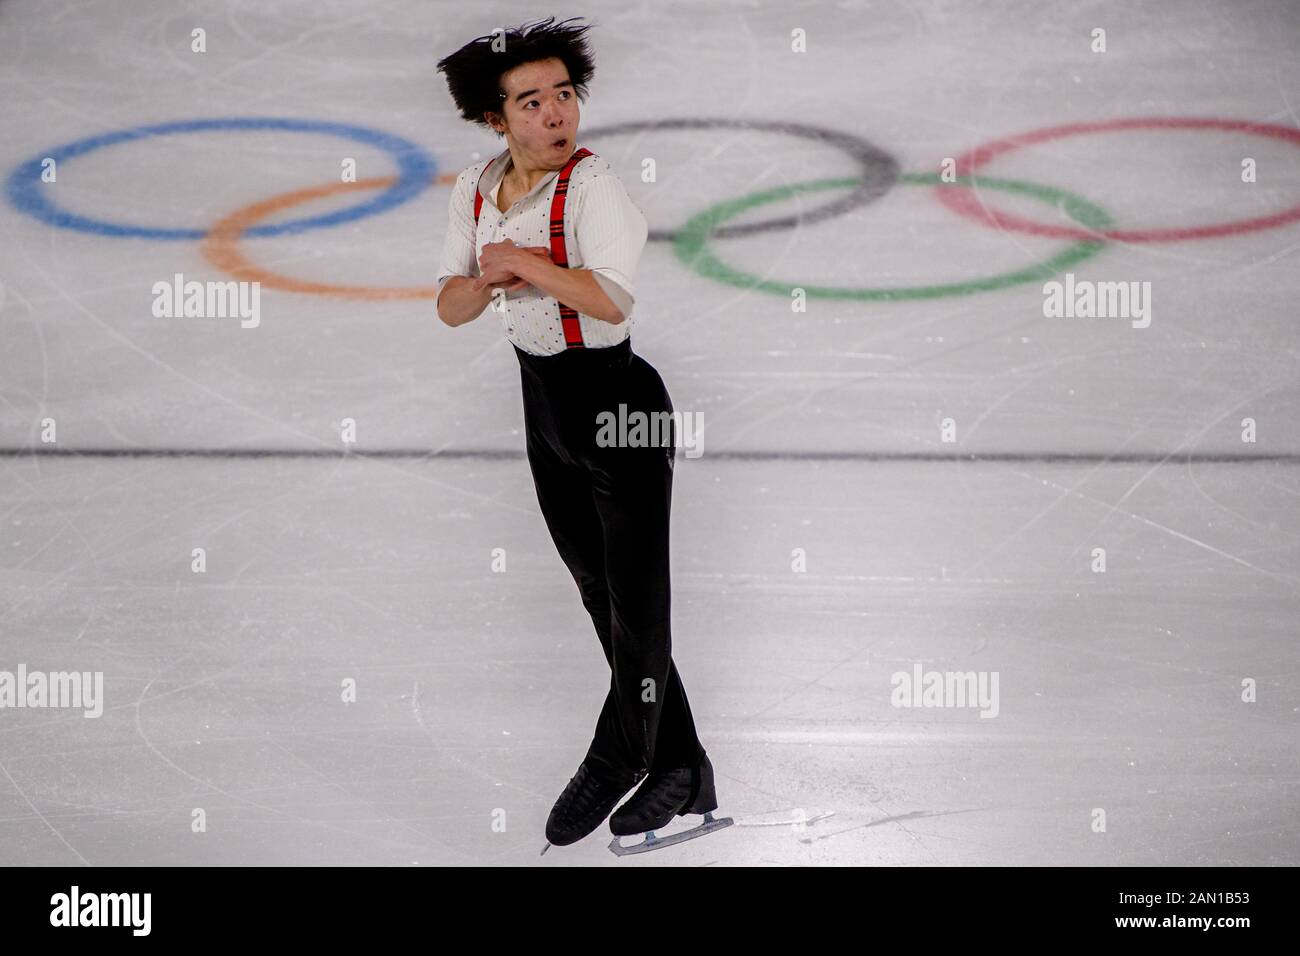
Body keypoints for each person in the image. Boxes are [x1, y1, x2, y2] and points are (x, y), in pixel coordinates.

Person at [434, 16, 718, 850]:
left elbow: (611, 299)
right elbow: (450, 305)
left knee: (640, 603)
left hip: (619, 406)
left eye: (564, 95)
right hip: (545, 411)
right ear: (497, 118)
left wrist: (524, 264)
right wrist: (486, 279)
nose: (556, 114)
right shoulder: (476, 191)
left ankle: (620, 755)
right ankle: (681, 763)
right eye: (532, 101)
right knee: (599, 595)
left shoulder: (592, 188)